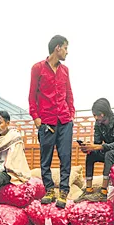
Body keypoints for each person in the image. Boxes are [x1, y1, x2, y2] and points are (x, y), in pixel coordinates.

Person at [29, 35, 75, 209]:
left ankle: (64, 191)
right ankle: (49, 190)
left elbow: (69, 93)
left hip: (64, 120)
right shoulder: (37, 68)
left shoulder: (65, 70)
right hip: (46, 121)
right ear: (57, 48)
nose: (67, 52)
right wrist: (36, 118)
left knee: (65, 157)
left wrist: (71, 114)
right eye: (65, 48)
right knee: (45, 158)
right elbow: (32, 95)